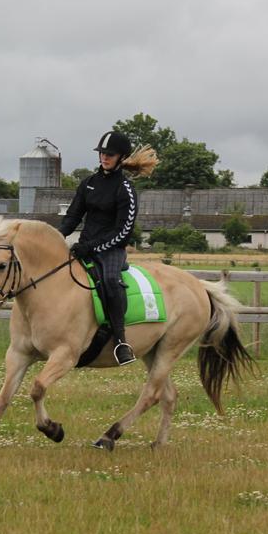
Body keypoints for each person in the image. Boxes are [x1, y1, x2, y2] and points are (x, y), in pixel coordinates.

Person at [58, 130, 157, 366]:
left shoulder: (125, 189)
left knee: (111, 281)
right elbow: (72, 217)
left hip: (111, 249)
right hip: (85, 246)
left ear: (121, 157)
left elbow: (123, 232)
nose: (104, 157)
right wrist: (56, 236)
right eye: (102, 153)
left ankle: (121, 341)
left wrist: (92, 247)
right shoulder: (88, 184)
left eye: (109, 154)